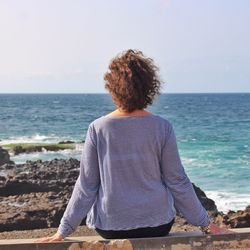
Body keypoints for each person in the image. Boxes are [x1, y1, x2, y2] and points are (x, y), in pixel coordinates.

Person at [36, 49, 232, 242]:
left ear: (112, 87)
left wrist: (63, 231)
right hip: (157, 225)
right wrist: (206, 224)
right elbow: (177, 181)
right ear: (149, 87)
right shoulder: (162, 127)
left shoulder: (97, 128)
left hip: (110, 227)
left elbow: (87, 185)